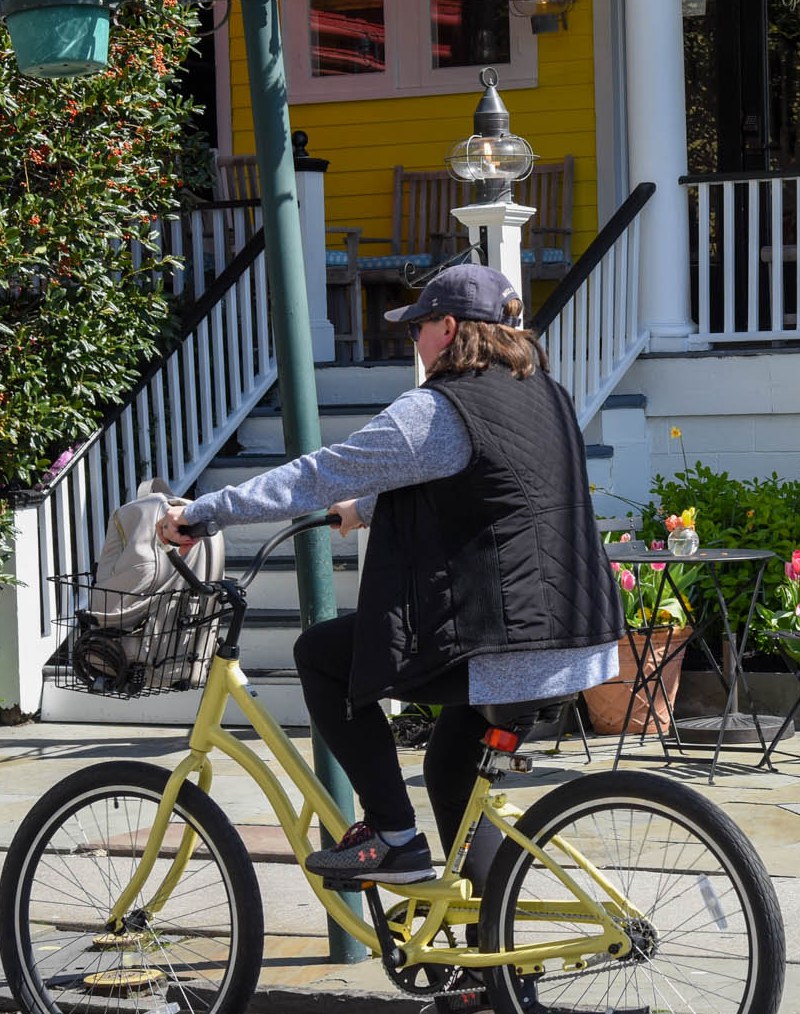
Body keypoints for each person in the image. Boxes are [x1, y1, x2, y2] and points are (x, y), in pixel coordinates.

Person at [157, 263, 622, 889]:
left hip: (508, 644)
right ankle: (496, 970)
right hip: (576, 634)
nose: (416, 345)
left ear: (450, 327)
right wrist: (370, 507)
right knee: (450, 773)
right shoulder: (543, 394)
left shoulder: (436, 408)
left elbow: (316, 474)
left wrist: (206, 511)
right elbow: (493, 481)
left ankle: (394, 838)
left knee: (321, 654)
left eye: (418, 330)